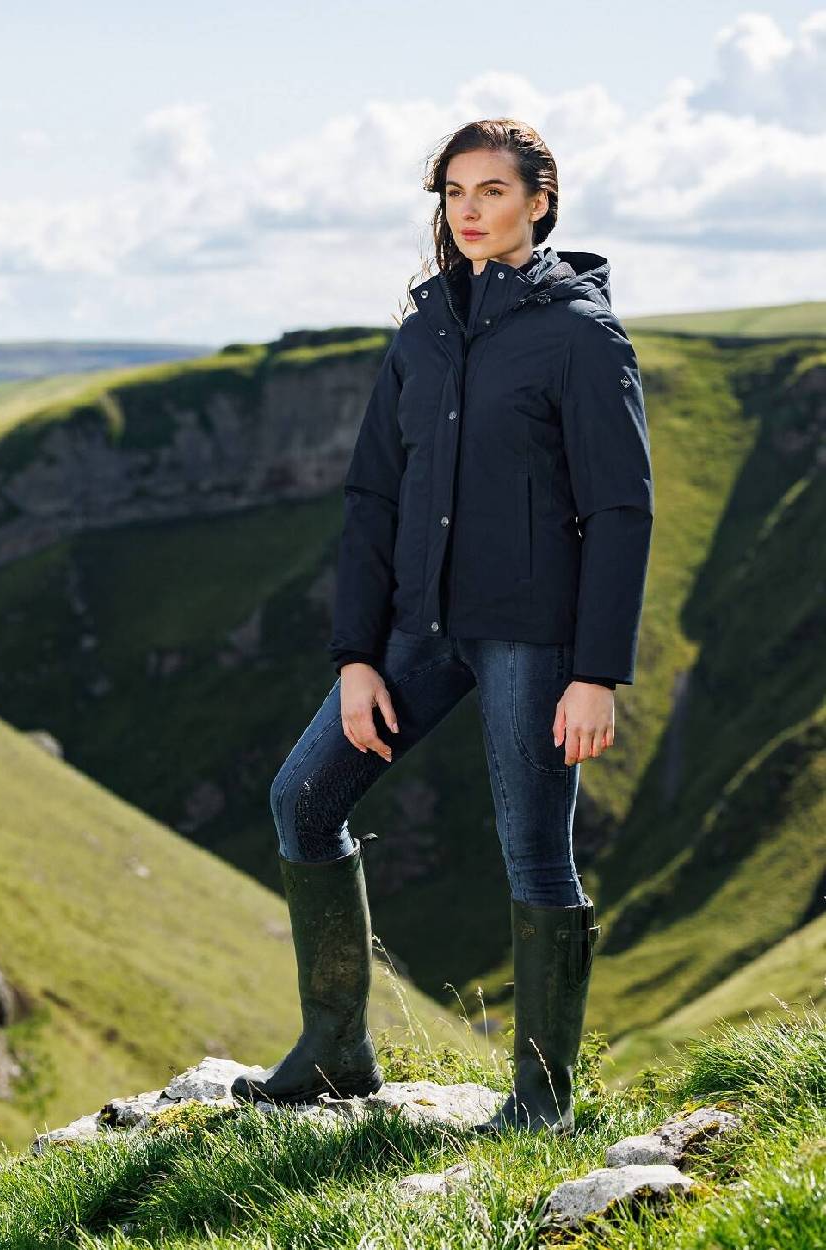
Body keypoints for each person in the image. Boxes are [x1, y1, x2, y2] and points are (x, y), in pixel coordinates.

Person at [232, 118, 654, 1137]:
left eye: (492, 191)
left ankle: (542, 1104)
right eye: (454, 192)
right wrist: (355, 656)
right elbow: (374, 494)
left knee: (532, 850)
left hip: (531, 634)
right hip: (418, 628)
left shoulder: (579, 333)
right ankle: (336, 1050)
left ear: (538, 202)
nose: (469, 210)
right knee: (303, 794)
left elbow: (621, 507)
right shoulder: (420, 327)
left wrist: (593, 671)